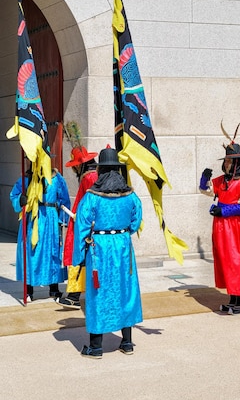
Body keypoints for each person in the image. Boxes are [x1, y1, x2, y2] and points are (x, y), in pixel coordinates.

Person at [72, 147, 143, 358]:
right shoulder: (130, 195)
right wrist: (123, 232)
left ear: (101, 170)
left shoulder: (92, 197)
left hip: (99, 248)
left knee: (98, 292)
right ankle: (127, 342)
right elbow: (136, 221)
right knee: (125, 290)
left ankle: (96, 347)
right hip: (122, 245)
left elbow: (82, 226)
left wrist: (79, 255)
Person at [199, 130, 240, 315]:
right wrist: (204, 178)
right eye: (225, 161)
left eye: (229, 161)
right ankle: (232, 299)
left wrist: (224, 210)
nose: (226, 164)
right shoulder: (222, 181)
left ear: (237, 163)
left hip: (238, 229)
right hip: (222, 229)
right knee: (227, 262)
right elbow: (206, 190)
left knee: (239, 262)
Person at [10, 167, 70, 302]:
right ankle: (29, 290)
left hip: (50, 218)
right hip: (32, 218)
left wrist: (61, 219)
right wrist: (21, 199)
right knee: (30, 253)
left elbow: (64, 199)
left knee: (52, 253)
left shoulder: (56, 178)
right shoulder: (26, 180)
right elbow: (14, 194)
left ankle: (54, 289)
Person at [56, 146, 98, 309]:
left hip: (84, 225)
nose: (73, 168)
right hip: (83, 223)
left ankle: (74, 296)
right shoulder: (93, 175)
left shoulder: (90, 177)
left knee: (78, 257)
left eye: (74, 165)